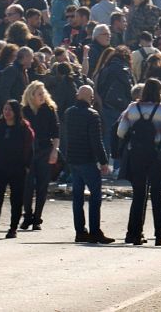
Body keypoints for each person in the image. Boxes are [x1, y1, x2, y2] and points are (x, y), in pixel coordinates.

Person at [116, 78, 161, 246]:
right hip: (159, 156)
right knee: (157, 196)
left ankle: (135, 235)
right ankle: (159, 236)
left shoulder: (132, 108)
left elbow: (120, 132)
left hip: (137, 156)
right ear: (160, 92)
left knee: (139, 195)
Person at [63, 84, 113, 244]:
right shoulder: (93, 115)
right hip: (88, 160)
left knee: (77, 197)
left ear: (77, 96)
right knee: (95, 196)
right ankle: (95, 231)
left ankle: (80, 231)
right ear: (91, 99)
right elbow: (96, 141)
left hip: (73, 159)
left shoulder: (69, 113)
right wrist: (104, 162)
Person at [0, 98, 33, 238]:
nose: (7, 112)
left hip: (18, 168)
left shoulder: (24, 128)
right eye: (5, 109)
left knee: (16, 199)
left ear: (16, 111)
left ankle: (13, 228)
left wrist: (27, 166)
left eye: (10, 109)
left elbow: (29, 148)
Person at [21, 81, 60, 231]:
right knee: (27, 185)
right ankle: (27, 216)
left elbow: (56, 133)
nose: (42, 96)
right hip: (27, 152)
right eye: (39, 94)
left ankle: (37, 218)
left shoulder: (49, 110)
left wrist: (54, 151)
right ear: (31, 95)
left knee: (42, 186)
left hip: (45, 150)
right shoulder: (24, 111)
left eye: (43, 93)